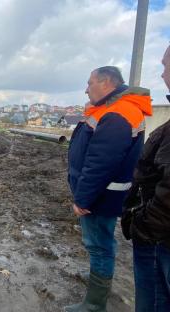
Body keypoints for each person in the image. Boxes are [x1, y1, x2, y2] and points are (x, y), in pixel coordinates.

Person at [65, 66, 152, 311]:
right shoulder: (111, 109)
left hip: (100, 197)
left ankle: (94, 304)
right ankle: (99, 280)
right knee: (100, 244)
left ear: (106, 83)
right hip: (101, 194)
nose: (85, 89)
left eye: (89, 83)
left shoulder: (118, 114)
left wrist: (82, 199)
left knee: (99, 245)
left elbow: (100, 163)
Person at [121, 45, 170, 311]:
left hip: (156, 237)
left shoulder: (119, 118)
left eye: (165, 66)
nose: (162, 75)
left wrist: (139, 223)